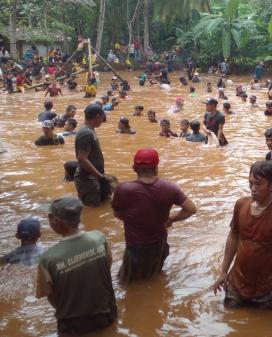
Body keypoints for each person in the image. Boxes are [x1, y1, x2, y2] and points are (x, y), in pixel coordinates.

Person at [211, 161, 272, 309]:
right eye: (250, 183)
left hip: (266, 288)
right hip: (236, 283)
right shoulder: (241, 205)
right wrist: (223, 272)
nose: (252, 189)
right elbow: (233, 237)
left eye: (258, 184)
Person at [112, 149, 196, 283]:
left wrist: (136, 220)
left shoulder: (123, 189)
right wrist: (172, 219)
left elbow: (117, 214)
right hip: (160, 244)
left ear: (134, 168)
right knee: (154, 276)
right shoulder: (170, 187)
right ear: (156, 167)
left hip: (136, 247)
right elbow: (191, 209)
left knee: (128, 284)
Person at [35, 196, 117, 334]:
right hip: (107, 314)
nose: (49, 221)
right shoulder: (99, 238)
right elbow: (107, 266)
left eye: (50, 217)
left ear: (57, 221)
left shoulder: (48, 259)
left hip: (72, 325)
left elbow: (50, 295)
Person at [74, 104, 110, 207]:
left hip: (92, 178)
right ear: (98, 116)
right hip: (88, 180)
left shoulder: (90, 130)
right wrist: (100, 176)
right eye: (103, 117)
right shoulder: (86, 133)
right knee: (92, 210)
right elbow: (82, 159)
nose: (103, 120)